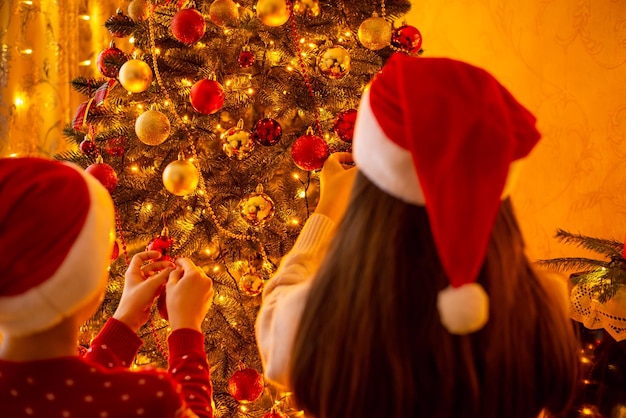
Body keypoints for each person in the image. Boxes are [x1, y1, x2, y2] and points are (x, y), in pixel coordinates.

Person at [256, 53, 580, 418]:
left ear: (373, 181)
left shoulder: (317, 320)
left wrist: (325, 211)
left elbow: (274, 311)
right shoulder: (542, 308)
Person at [0, 157, 215, 418]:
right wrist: (187, 329)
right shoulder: (147, 400)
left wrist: (125, 320)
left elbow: (71, 398)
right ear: (84, 277)